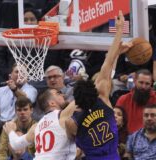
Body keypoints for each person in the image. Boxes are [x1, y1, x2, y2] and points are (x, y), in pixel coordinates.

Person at [65, 11, 125, 159]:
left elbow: (72, 143)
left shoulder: (70, 122)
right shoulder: (103, 97)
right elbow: (108, 61)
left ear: (76, 100)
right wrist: (119, 30)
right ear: (94, 91)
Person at [3, 89, 77, 160]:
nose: (63, 95)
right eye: (58, 93)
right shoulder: (63, 115)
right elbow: (83, 98)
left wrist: (10, 131)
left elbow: (16, 144)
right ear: (52, 103)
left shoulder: (36, 126)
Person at [0, 64, 37, 150]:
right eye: (17, 72)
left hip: (21, 126)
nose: (20, 74)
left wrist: (14, 89)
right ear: (10, 75)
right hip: (2, 125)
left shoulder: (31, 90)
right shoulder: (0, 91)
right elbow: (0, 111)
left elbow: (26, 101)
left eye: (23, 72)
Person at [116, 69, 156, 134]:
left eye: (147, 84)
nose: (143, 86)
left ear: (151, 84)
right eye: (141, 82)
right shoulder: (123, 99)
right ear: (135, 81)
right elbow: (116, 123)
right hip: (128, 140)